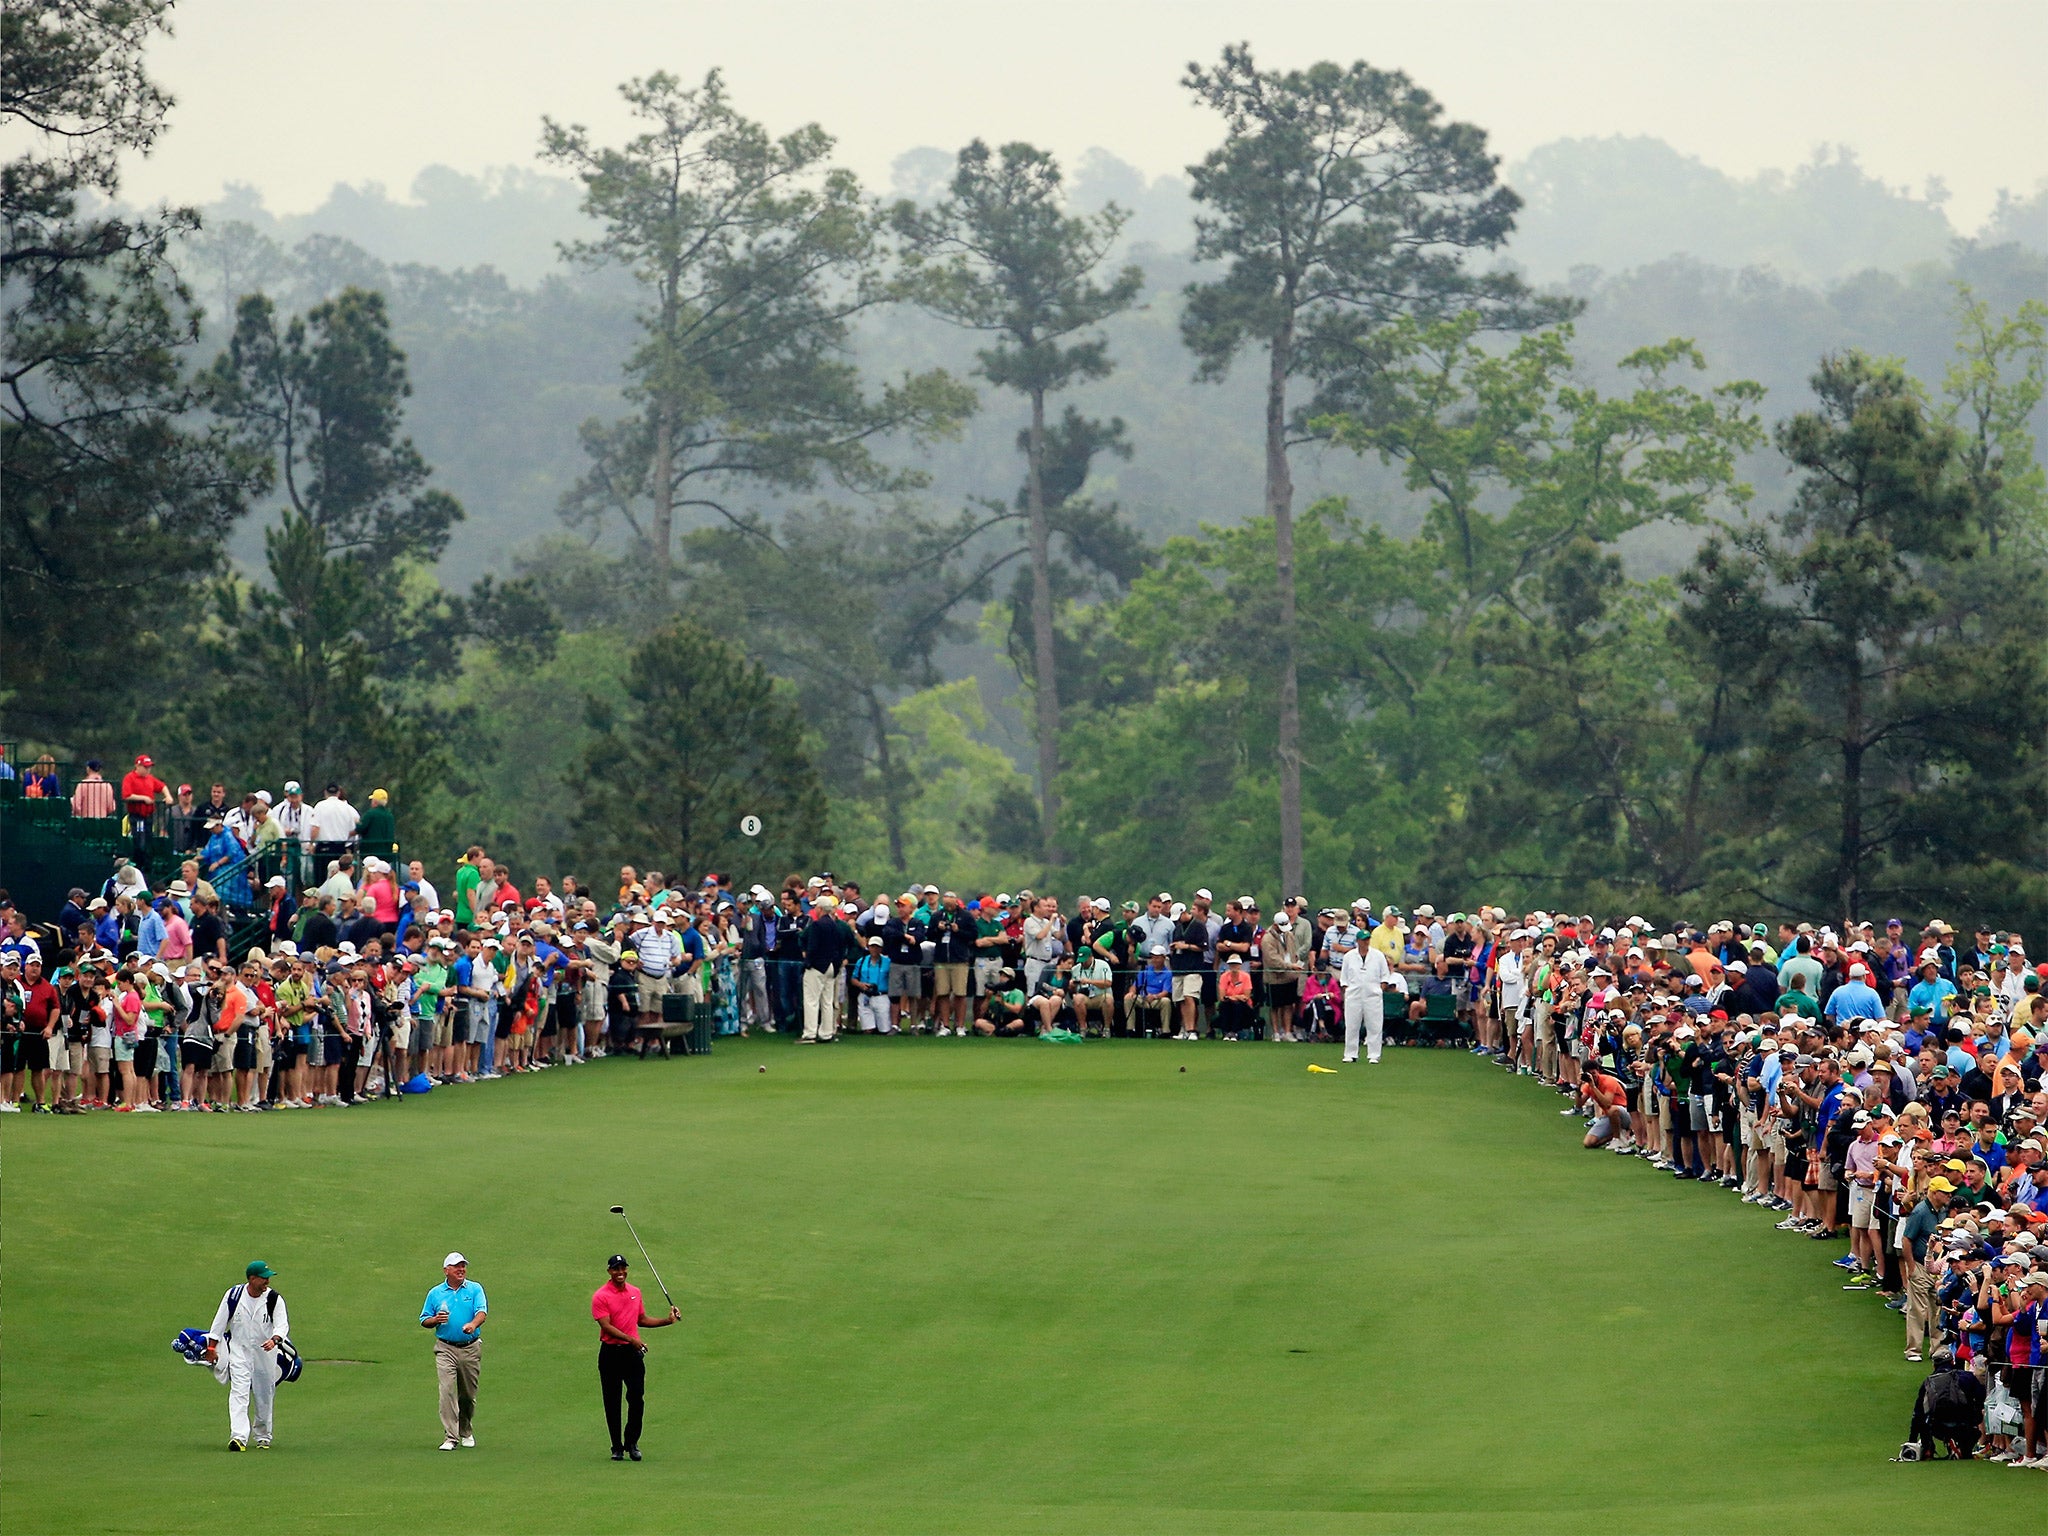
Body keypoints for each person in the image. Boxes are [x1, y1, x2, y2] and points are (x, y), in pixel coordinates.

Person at [591, 1253, 681, 1462]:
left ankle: (632, 1443)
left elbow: (641, 1319)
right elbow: (606, 1326)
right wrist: (632, 1340)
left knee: (636, 1398)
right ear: (609, 1271)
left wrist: (667, 1321)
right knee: (612, 1401)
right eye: (616, 1269)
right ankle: (616, 1447)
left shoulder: (635, 1292)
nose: (620, 1272)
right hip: (610, 1354)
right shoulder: (601, 1296)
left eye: (623, 1268)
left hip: (632, 1355)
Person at [204, 1261, 291, 1451]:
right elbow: (219, 1323)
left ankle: (263, 1436)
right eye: (263, 1277)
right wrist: (211, 1348)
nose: (267, 1281)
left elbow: (282, 1325)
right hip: (239, 1352)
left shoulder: (274, 1299)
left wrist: (274, 1340)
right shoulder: (234, 1295)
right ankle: (238, 1437)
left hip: (265, 1355)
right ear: (252, 1279)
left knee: (264, 1395)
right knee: (238, 1393)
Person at [419, 1251, 488, 1450]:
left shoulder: (474, 1289)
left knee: (467, 1395)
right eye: (457, 1266)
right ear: (446, 1270)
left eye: (463, 1266)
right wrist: (435, 1320)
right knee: (447, 1391)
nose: (461, 1269)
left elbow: (481, 1312)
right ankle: (451, 1437)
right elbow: (424, 1319)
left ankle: (466, 1429)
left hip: (470, 1348)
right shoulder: (435, 1293)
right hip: (445, 1348)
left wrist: (473, 1325)